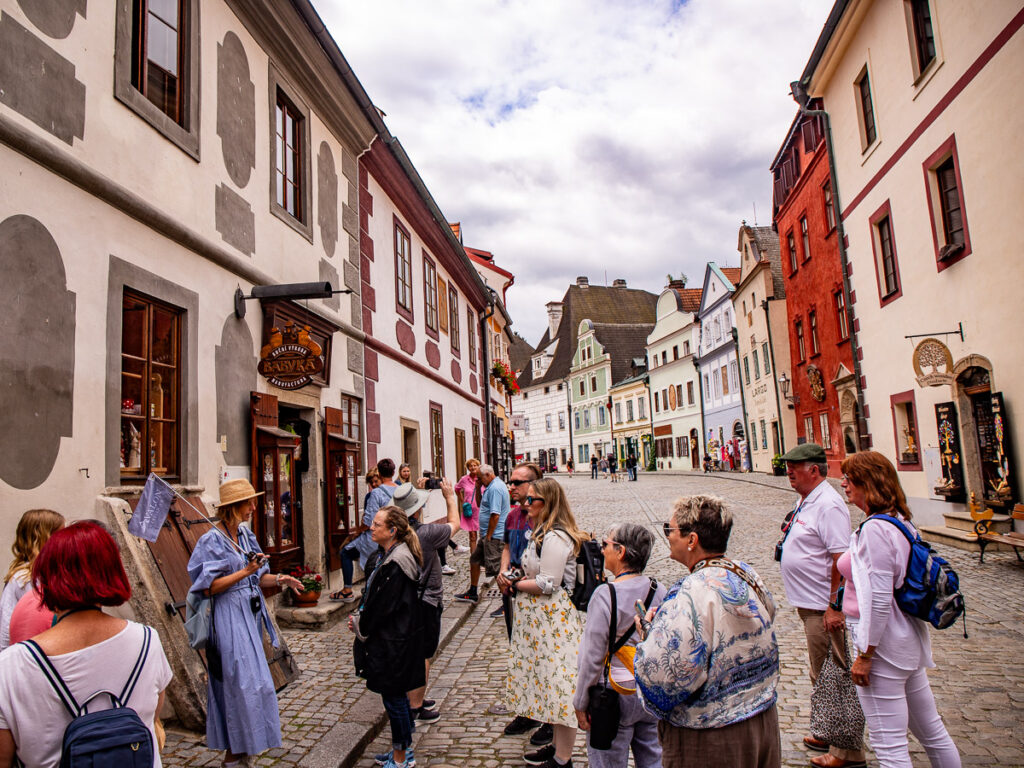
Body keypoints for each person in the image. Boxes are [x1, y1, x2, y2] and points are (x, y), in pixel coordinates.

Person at [0, 521, 173, 768]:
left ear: (48, 578)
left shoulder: (11, 665)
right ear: (114, 573)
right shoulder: (148, 641)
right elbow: (153, 716)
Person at [635, 495, 780, 768]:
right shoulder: (744, 572)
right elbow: (768, 612)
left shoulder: (692, 592)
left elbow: (670, 675)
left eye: (671, 529)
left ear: (692, 540)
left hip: (712, 733)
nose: (667, 535)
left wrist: (649, 635)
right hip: (760, 716)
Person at [840, 452, 961, 768]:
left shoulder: (877, 530)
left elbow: (879, 599)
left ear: (868, 482)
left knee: (889, 746)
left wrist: (865, 655)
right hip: (905, 640)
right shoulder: (901, 521)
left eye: (849, 479)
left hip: (884, 650)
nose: (843, 484)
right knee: (932, 733)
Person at [188, 479, 304, 767]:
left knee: (259, 686)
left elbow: (258, 576)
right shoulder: (212, 540)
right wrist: (245, 572)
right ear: (234, 506)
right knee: (241, 686)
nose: (254, 506)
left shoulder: (244, 535)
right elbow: (207, 587)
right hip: (228, 616)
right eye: (249, 502)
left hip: (249, 616)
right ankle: (235, 756)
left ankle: (245, 752)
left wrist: (280, 579)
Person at [777, 443, 866, 768]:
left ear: (814, 470)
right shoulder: (807, 500)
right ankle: (828, 730)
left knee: (838, 676)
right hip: (811, 605)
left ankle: (848, 752)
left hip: (824, 607)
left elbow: (840, 560)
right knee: (822, 673)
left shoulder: (828, 505)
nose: (788, 471)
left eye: (794, 467)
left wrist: (834, 606)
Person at [505, 478, 587, 768]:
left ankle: (563, 757)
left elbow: (547, 583)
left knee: (560, 685)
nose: (525, 504)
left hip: (554, 620)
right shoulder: (541, 533)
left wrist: (516, 584)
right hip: (541, 620)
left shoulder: (555, 537)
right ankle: (555, 748)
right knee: (547, 684)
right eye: (526, 499)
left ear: (548, 503)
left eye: (532, 500)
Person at [574, 523, 666, 768]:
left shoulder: (605, 595)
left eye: (605, 545)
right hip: (648, 691)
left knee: (607, 762)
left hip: (612, 694)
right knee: (653, 759)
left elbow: (592, 657)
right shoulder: (659, 590)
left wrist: (580, 701)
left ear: (621, 551)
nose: (602, 550)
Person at [349, 506, 425, 768]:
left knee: (394, 701)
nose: (372, 527)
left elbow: (384, 606)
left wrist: (361, 625)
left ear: (392, 531)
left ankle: (401, 758)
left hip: (394, 642)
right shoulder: (392, 554)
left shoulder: (396, 563)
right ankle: (402, 751)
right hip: (396, 639)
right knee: (396, 699)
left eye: (377, 524)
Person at [392, 479, 462, 724]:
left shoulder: (395, 534)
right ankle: (416, 705)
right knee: (423, 653)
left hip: (404, 600)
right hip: (426, 600)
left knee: (412, 650)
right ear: (418, 508)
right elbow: (455, 524)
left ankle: (414, 696)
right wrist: (449, 497)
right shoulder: (428, 534)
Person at [497, 463, 549, 743]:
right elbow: (506, 547)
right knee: (521, 653)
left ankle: (550, 718)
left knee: (544, 656)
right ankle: (529, 711)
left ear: (534, 485)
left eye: (518, 482)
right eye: (511, 481)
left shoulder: (547, 518)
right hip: (514, 593)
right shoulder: (513, 516)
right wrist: (502, 572)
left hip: (539, 596)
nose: (512, 486)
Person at [332, 459, 398, 602]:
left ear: (380, 475)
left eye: (376, 480)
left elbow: (369, 520)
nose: (373, 485)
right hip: (393, 536)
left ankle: (348, 590)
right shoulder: (398, 489)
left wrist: (357, 532)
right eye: (371, 482)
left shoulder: (376, 494)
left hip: (376, 536)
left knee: (346, 552)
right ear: (394, 472)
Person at [0, 509, 64, 651]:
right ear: (44, 539)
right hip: (31, 652)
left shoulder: (57, 572)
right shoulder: (21, 579)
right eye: (60, 535)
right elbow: (6, 626)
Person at [455, 465, 509, 604]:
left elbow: (495, 515)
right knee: (475, 560)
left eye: (479, 478)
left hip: (494, 536)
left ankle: (507, 604)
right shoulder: (489, 487)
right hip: (486, 535)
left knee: (496, 570)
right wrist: (478, 488)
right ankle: (473, 592)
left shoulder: (496, 488)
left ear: (488, 474)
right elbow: (479, 504)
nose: (477, 479)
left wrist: (489, 536)